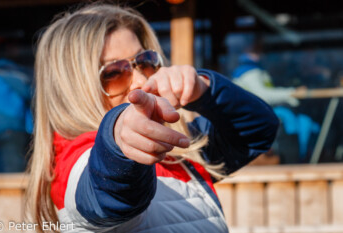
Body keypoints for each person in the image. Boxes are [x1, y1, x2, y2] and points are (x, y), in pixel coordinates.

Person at [26, 3, 279, 233]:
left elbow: (258, 129)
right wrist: (118, 140)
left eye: (145, 61)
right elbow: (109, 191)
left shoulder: (178, 153)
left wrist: (203, 89)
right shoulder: (75, 164)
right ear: (71, 88)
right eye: (113, 72)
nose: (141, 80)